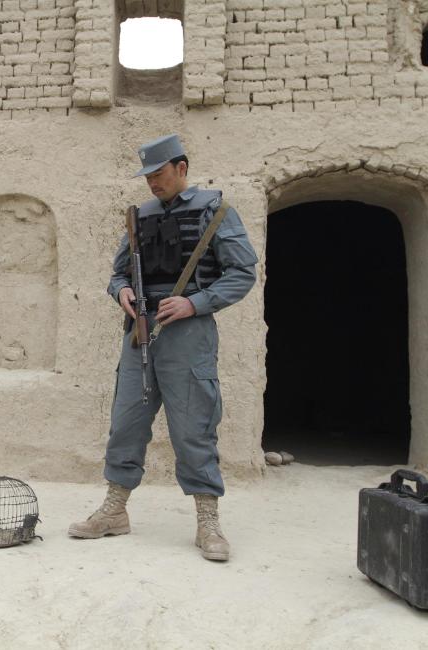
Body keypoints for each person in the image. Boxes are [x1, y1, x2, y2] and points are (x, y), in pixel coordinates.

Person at [68, 134, 258, 561]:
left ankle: (208, 521)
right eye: (148, 177)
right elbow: (117, 274)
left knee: (194, 426)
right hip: (139, 332)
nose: (152, 183)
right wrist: (121, 293)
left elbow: (242, 272)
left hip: (188, 334)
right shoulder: (140, 217)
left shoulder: (217, 212)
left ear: (182, 168)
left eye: (159, 174)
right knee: (126, 421)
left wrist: (195, 302)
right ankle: (114, 510)